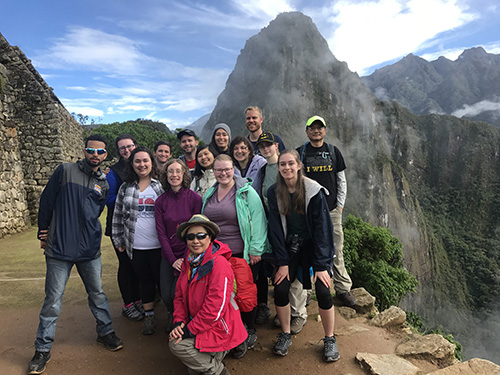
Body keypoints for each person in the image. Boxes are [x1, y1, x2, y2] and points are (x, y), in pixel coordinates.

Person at [29, 135, 122, 375]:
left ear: (104, 156)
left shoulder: (104, 183)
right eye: (91, 150)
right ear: (84, 151)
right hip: (59, 248)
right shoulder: (65, 171)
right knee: (52, 301)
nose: (95, 155)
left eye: (100, 152)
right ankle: (42, 348)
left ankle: (105, 332)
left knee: (98, 294)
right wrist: (43, 230)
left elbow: (98, 210)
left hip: (89, 249)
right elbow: (47, 201)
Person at [267, 150, 340, 362]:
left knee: (324, 290)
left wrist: (322, 265)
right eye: (283, 164)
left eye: (291, 163)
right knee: (281, 287)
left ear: (299, 165)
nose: (287, 168)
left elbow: (323, 229)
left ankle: (329, 338)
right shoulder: (274, 193)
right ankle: (286, 333)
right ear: (279, 168)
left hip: (314, 247)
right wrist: (282, 262)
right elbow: (276, 230)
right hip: (291, 247)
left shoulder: (313, 191)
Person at [202, 154, 269, 358]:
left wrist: (256, 249)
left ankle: (248, 330)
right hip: (215, 253)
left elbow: (258, 220)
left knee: (243, 293)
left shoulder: (246, 192)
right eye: (219, 170)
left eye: (227, 169)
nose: (223, 173)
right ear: (214, 171)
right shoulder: (210, 193)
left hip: (240, 252)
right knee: (222, 294)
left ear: (234, 170)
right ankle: (229, 331)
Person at [169, 214, 247, 375]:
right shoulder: (188, 263)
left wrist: (189, 330)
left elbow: (215, 309)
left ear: (210, 237)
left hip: (219, 326)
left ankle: (218, 370)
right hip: (199, 322)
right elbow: (179, 298)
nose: (195, 241)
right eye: (190, 237)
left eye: (201, 236)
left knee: (177, 346)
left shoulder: (219, 264)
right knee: (192, 366)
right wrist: (179, 322)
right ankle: (212, 363)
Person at [296, 115, 355, 307]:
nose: (316, 130)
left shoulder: (333, 152)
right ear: (307, 131)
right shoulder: (300, 153)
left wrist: (339, 206)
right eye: (312, 127)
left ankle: (342, 288)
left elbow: (341, 180)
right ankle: (306, 293)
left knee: (336, 248)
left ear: (325, 130)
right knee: (307, 250)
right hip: (307, 212)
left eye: (319, 127)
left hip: (331, 210)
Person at [112, 146, 164, 336]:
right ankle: (149, 315)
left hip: (159, 245)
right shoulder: (126, 188)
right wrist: (118, 239)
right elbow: (117, 215)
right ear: (132, 164)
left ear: (152, 162)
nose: (142, 165)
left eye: (145, 161)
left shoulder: (160, 186)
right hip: (136, 245)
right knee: (144, 281)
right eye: (137, 161)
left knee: (163, 282)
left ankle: (172, 316)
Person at [155, 159, 202, 323]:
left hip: (189, 254)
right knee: (166, 295)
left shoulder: (195, 199)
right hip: (168, 255)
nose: (174, 175)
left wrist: (184, 257)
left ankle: (180, 321)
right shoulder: (160, 201)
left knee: (178, 292)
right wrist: (173, 259)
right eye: (170, 171)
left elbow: (195, 231)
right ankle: (172, 314)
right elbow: (161, 232)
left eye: (178, 171)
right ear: (166, 175)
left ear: (184, 174)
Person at [105, 134, 143, 322]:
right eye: (122, 148)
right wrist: (131, 199)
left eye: (129, 146)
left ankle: (138, 299)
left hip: (138, 225)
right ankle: (128, 303)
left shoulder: (141, 164)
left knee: (137, 264)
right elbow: (109, 199)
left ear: (135, 146)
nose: (126, 150)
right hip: (119, 225)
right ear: (118, 151)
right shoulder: (113, 172)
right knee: (126, 265)